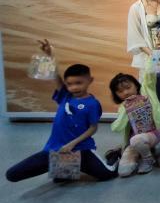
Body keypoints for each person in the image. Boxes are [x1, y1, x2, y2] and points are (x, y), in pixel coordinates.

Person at [6, 40, 117, 182]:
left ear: (90, 80)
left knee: (107, 175)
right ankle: (63, 165)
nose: (74, 87)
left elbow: (92, 128)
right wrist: (50, 55)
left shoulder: (93, 104)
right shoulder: (65, 96)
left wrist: (72, 144)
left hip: (81, 149)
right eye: (69, 84)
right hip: (57, 150)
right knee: (12, 175)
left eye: (78, 83)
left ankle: (115, 155)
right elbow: (55, 76)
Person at [109, 73, 160, 177]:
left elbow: (150, 76)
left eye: (128, 87)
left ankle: (148, 159)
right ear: (116, 94)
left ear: (136, 85)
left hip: (152, 134)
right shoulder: (123, 107)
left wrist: (148, 62)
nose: (126, 92)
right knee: (124, 171)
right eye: (120, 91)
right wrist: (126, 112)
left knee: (136, 140)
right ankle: (142, 151)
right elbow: (117, 128)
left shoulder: (147, 93)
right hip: (135, 139)